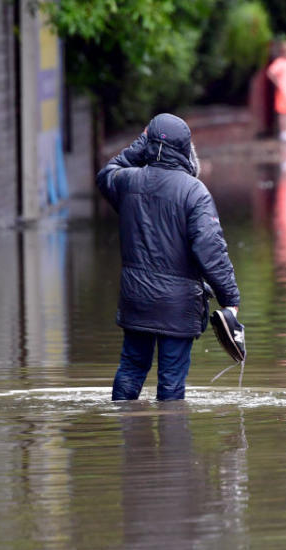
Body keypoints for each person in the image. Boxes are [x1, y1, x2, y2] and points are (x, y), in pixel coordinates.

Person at [96, 113, 241, 401]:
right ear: (186, 148)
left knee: (131, 367)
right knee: (172, 381)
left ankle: (125, 434)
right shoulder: (194, 192)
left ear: (147, 144)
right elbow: (211, 250)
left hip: (136, 299)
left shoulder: (128, 183)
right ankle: (172, 439)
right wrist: (230, 299)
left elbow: (107, 173)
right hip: (177, 305)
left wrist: (145, 143)